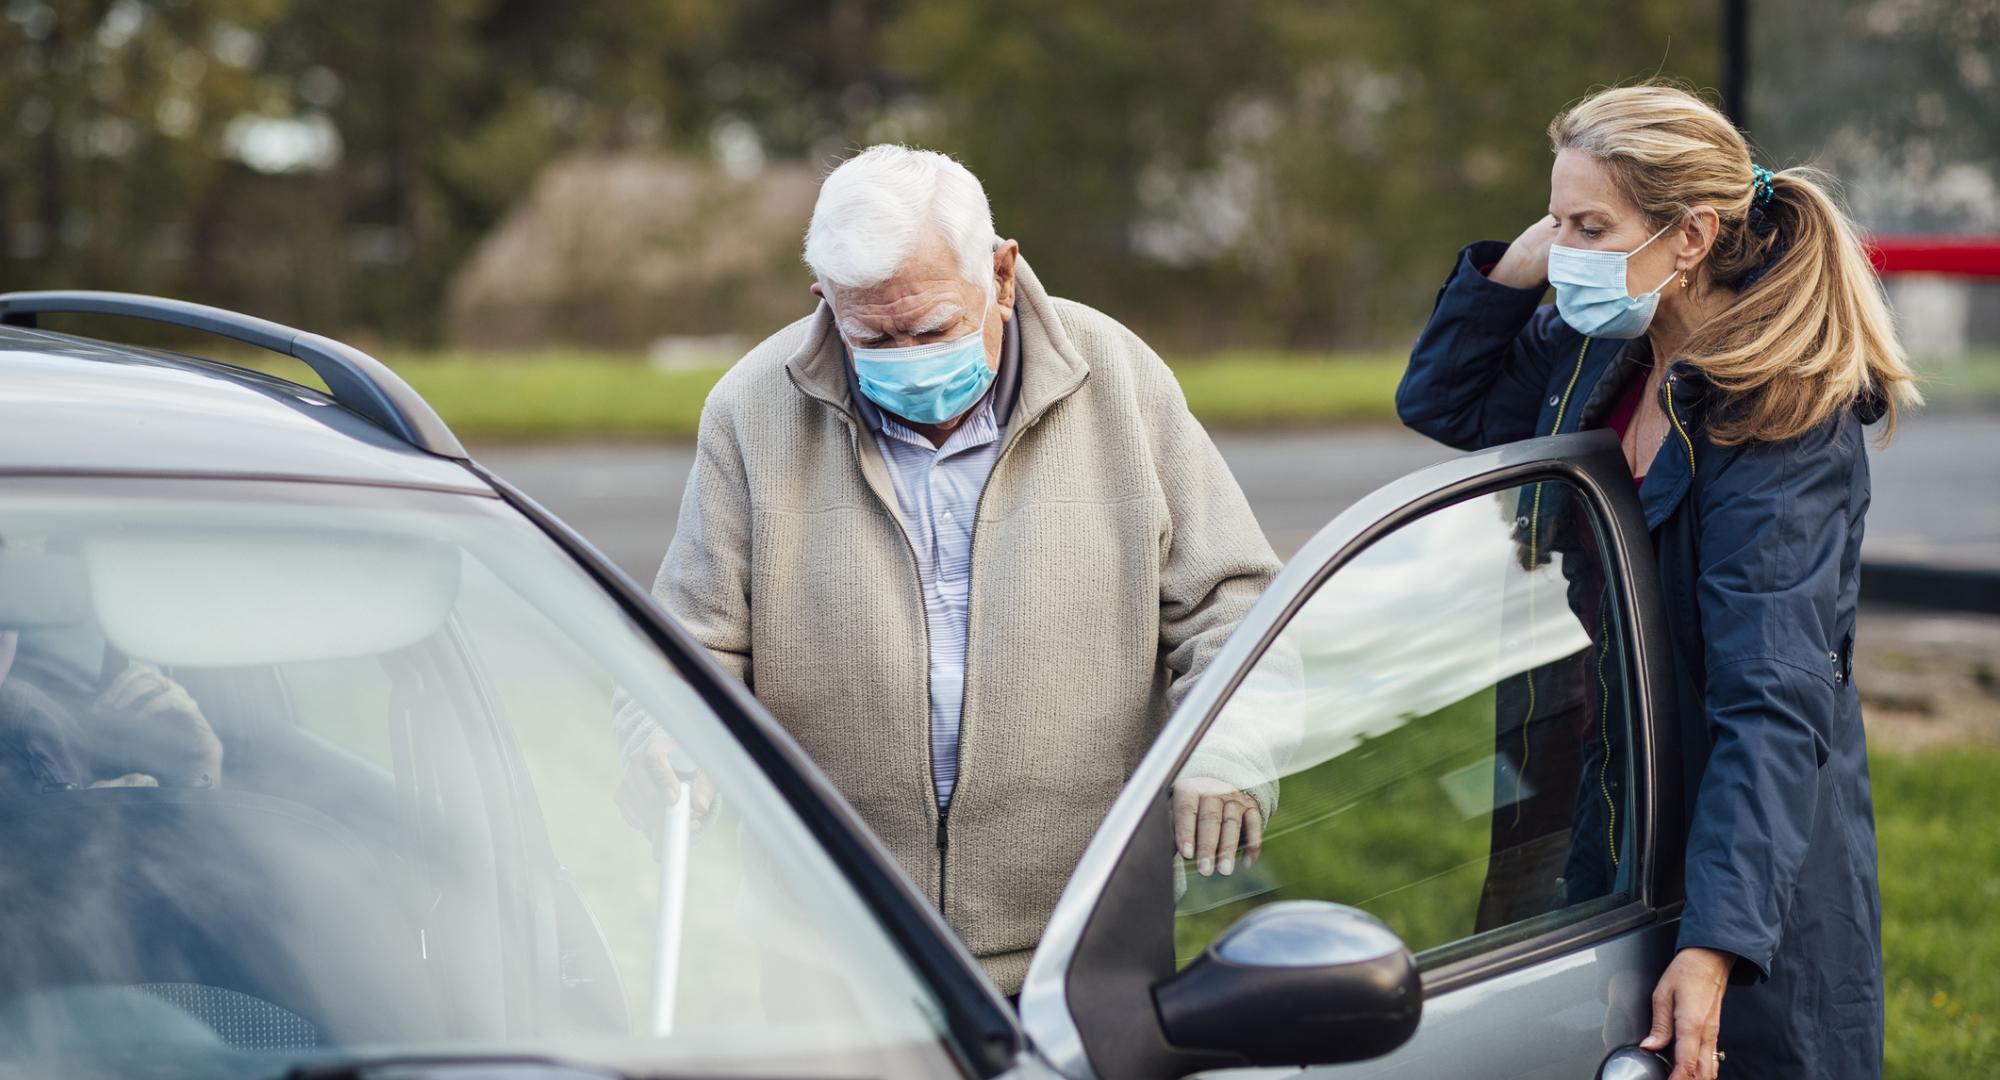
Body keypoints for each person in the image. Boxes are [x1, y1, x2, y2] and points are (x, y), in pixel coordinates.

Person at [615, 145, 1285, 994]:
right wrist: (665, 730)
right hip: (837, 949)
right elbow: (686, 646)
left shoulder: (1120, 379)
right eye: (872, 336)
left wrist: (1224, 750)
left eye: (930, 328)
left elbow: (1232, 601)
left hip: (1083, 939)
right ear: (823, 300)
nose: (906, 356)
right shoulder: (751, 409)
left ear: (1001, 274)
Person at [1397, 83, 1918, 1080]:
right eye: (1555, 219)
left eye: (1589, 225)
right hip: (1593, 798)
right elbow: (1444, 402)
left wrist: (1712, 945)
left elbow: (1769, 704)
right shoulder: (1606, 346)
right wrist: (1521, 261)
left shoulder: (1778, 419)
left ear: (1689, 238)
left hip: (1727, 850)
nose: (1565, 252)